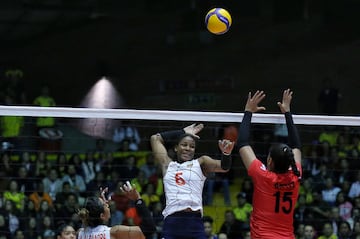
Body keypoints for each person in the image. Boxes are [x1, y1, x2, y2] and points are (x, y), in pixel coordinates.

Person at [237, 89, 302, 238]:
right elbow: (296, 146)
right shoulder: (295, 176)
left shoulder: (263, 176)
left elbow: (241, 143)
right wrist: (287, 112)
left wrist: (248, 111)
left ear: (270, 161)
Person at [150, 123, 235, 239]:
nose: (187, 149)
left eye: (192, 146)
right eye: (184, 145)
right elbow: (155, 138)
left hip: (194, 222)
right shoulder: (168, 165)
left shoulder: (200, 163)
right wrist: (183, 131)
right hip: (172, 223)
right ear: (176, 148)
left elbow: (224, 167)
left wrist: (226, 153)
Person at [77, 181, 156, 239]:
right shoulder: (115, 232)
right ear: (102, 215)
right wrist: (138, 199)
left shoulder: (79, 233)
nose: (108, 205)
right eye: (105, 205)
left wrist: (99, 205)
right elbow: (149, 229)